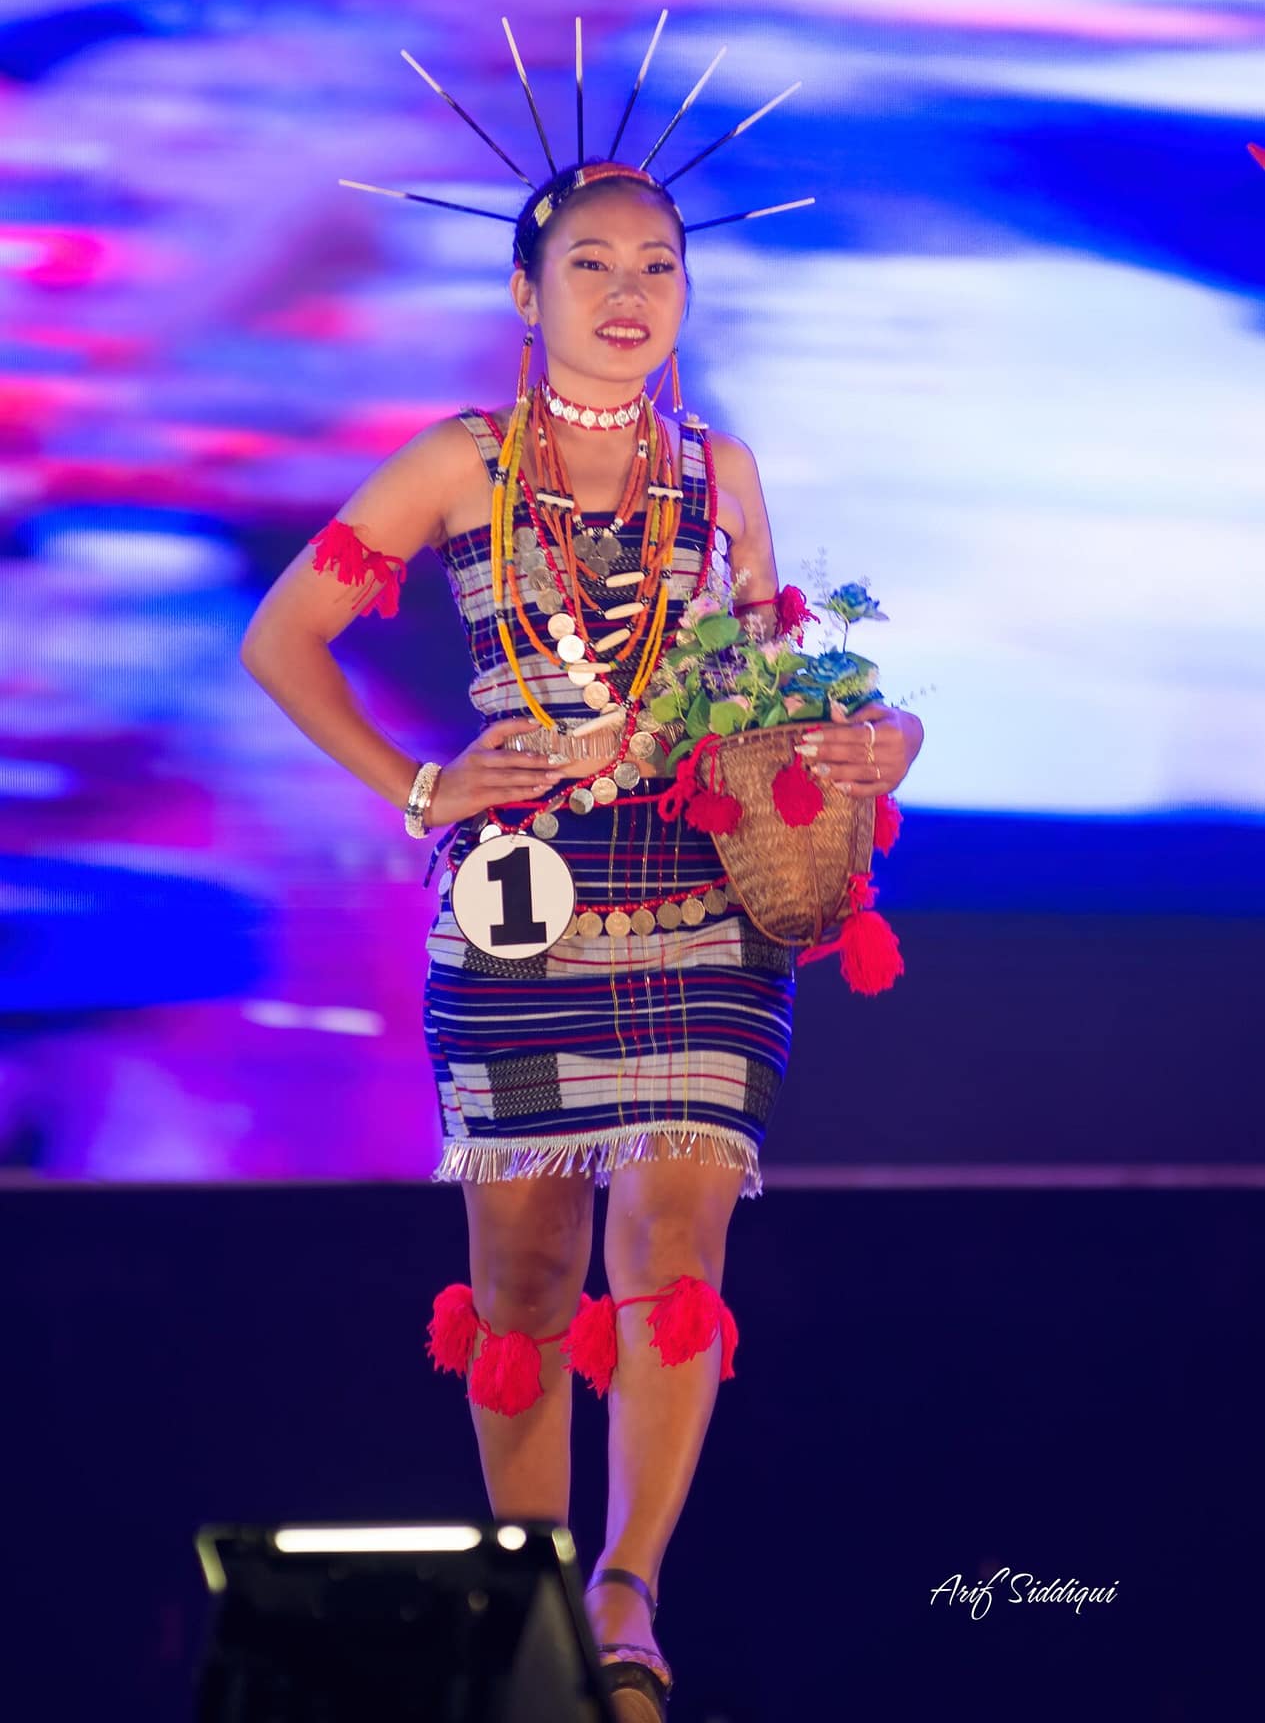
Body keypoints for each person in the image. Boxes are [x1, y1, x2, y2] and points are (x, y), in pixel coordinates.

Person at [240, 158, 924, 1719]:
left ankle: (626, 1595)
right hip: (519, 914)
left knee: (673, 1244)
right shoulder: (458, 464)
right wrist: (420, 786)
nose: (628, 293)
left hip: (698, 904)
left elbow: (779, 691)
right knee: (528, 1281)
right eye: (592, 264)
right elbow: (283, 638)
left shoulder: (720, 474)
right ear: (525, 293)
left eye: (657, 265)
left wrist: (876, 738)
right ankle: (533, 1592)